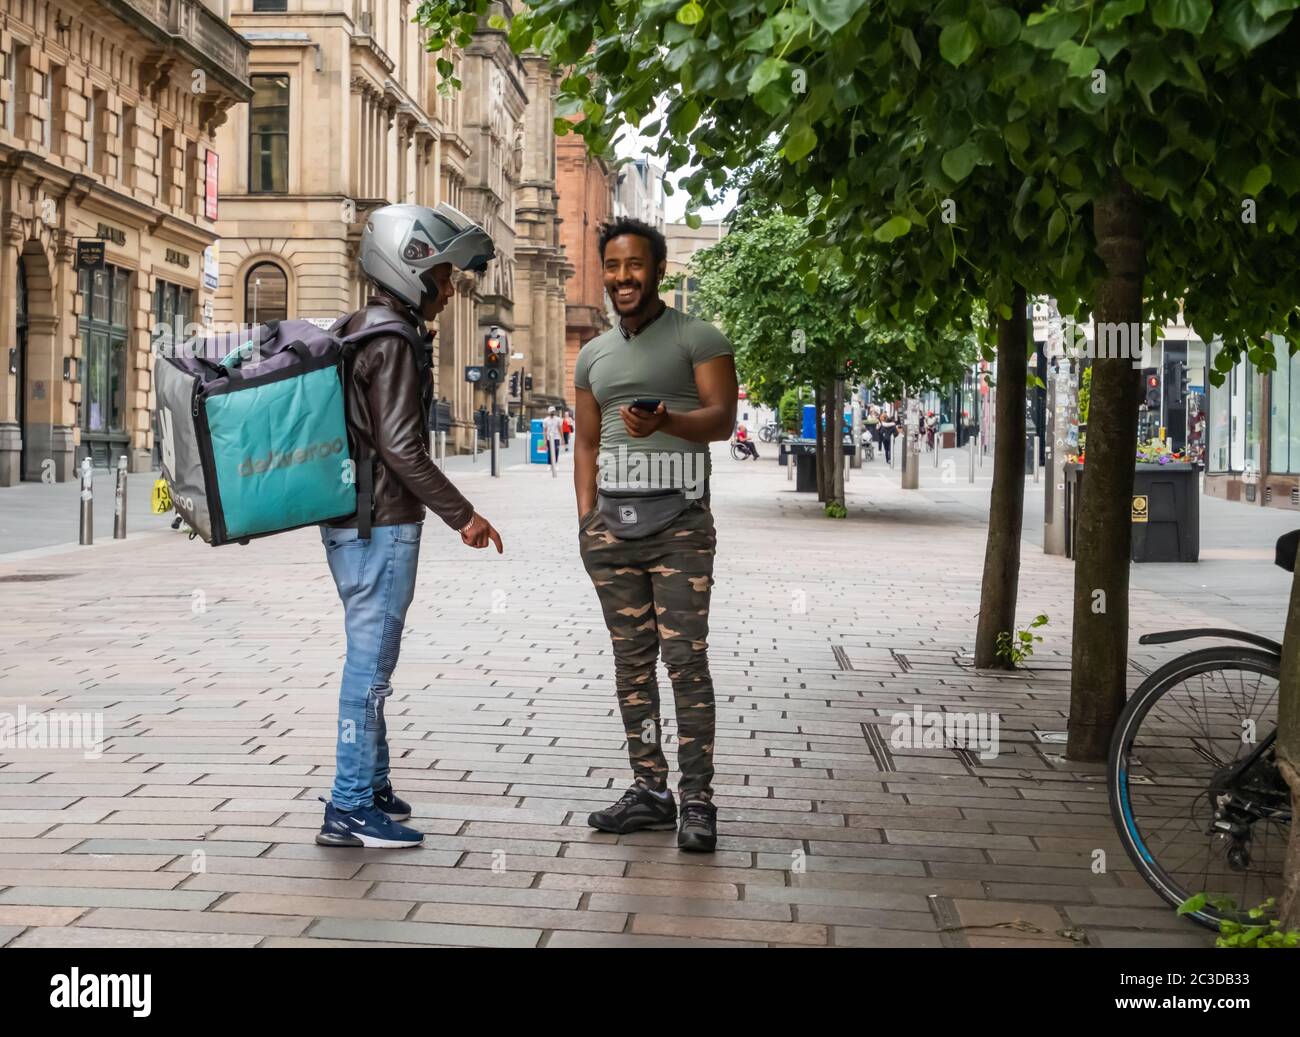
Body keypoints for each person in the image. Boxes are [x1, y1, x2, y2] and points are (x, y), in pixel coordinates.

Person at [316, 203, 504, 850]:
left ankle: (370, 785)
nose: (451, 288)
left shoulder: (364, 327)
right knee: (368, 670)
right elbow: (401, 446)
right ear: (412, 263)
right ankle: (347, 805)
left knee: (371, 664)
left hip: (353, 520)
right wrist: (465, 515)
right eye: (446, 274)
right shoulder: (393, 340)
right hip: (381, 524)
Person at [573, 216, 737, 853]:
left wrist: (670, 419)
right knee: (631, 667)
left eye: (634, 265)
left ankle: (698, 799)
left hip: (680, 525)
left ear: (658, 270)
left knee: (685, 663)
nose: (622, 277)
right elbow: (586, 442)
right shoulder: (594, 353)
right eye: (612, 266)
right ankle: (650, 790)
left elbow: (722, 419)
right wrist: (586, 519)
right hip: (612, 529)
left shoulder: (699, 337)